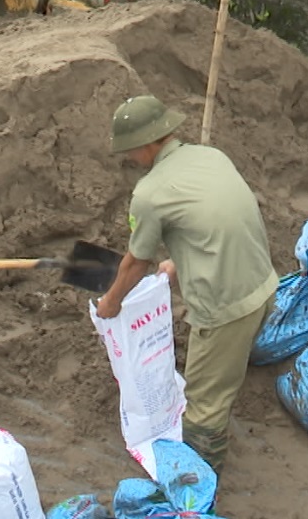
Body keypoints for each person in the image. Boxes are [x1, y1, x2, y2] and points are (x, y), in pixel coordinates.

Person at [95, 95, 279, 475]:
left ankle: (198, 484)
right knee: (225, 371)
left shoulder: (149, 194)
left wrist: (110, 303)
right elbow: (217, 218)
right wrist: (178, 262)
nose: (129, 158)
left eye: (130, 150)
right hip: (265, 285)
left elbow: (135, 263)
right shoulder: (210, 157)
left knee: (204, 404)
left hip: (228, 308)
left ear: (147, 143)